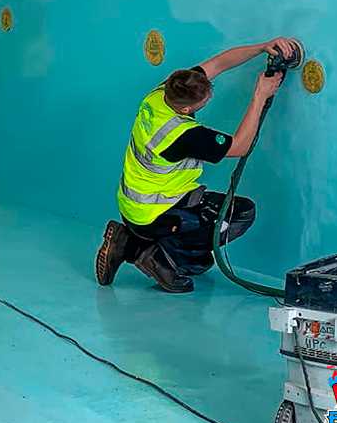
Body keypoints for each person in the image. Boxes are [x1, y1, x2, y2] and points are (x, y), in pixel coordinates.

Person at [94, 37, 302, 294]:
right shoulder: (183, 135)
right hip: (153, 214)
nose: (210, 94)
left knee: (203, 261)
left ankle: (129, 240)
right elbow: (241, 146)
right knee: (239, 214)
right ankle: (148, 256)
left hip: (134, 206)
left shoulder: (163, 93)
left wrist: (262, 47)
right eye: (205, 97)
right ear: (187, 110)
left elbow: (219, 63)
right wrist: (260, 95)